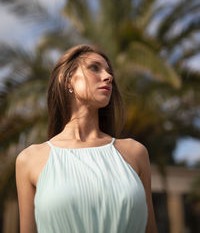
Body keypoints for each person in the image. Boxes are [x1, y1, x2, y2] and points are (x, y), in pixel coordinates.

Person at [16, 44, 157, 233]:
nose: (108, 76)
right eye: (94, 68)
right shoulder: (30, 159)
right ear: (67, 80)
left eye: (108, 71)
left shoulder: (135, 153)